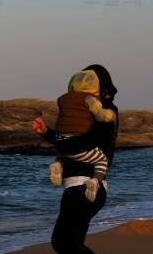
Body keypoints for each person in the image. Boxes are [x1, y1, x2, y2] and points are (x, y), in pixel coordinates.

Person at [31, 64, 125, 254]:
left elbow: (88, 143)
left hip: (86, 186)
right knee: (71, 245)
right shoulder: (87, 111)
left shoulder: (106, 113)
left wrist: (58, 140)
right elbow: (73, 141)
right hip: (78, 184)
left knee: (62, 241)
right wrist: (47, 133)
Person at [49, 70, 116, 202]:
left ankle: (58, 163)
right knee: (102, 160)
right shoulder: (89, 99)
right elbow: (100, 115)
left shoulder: (62, 99)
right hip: (78, 143)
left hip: (61, 141)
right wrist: (110, 114)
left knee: (66, 155)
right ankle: (95, 182)